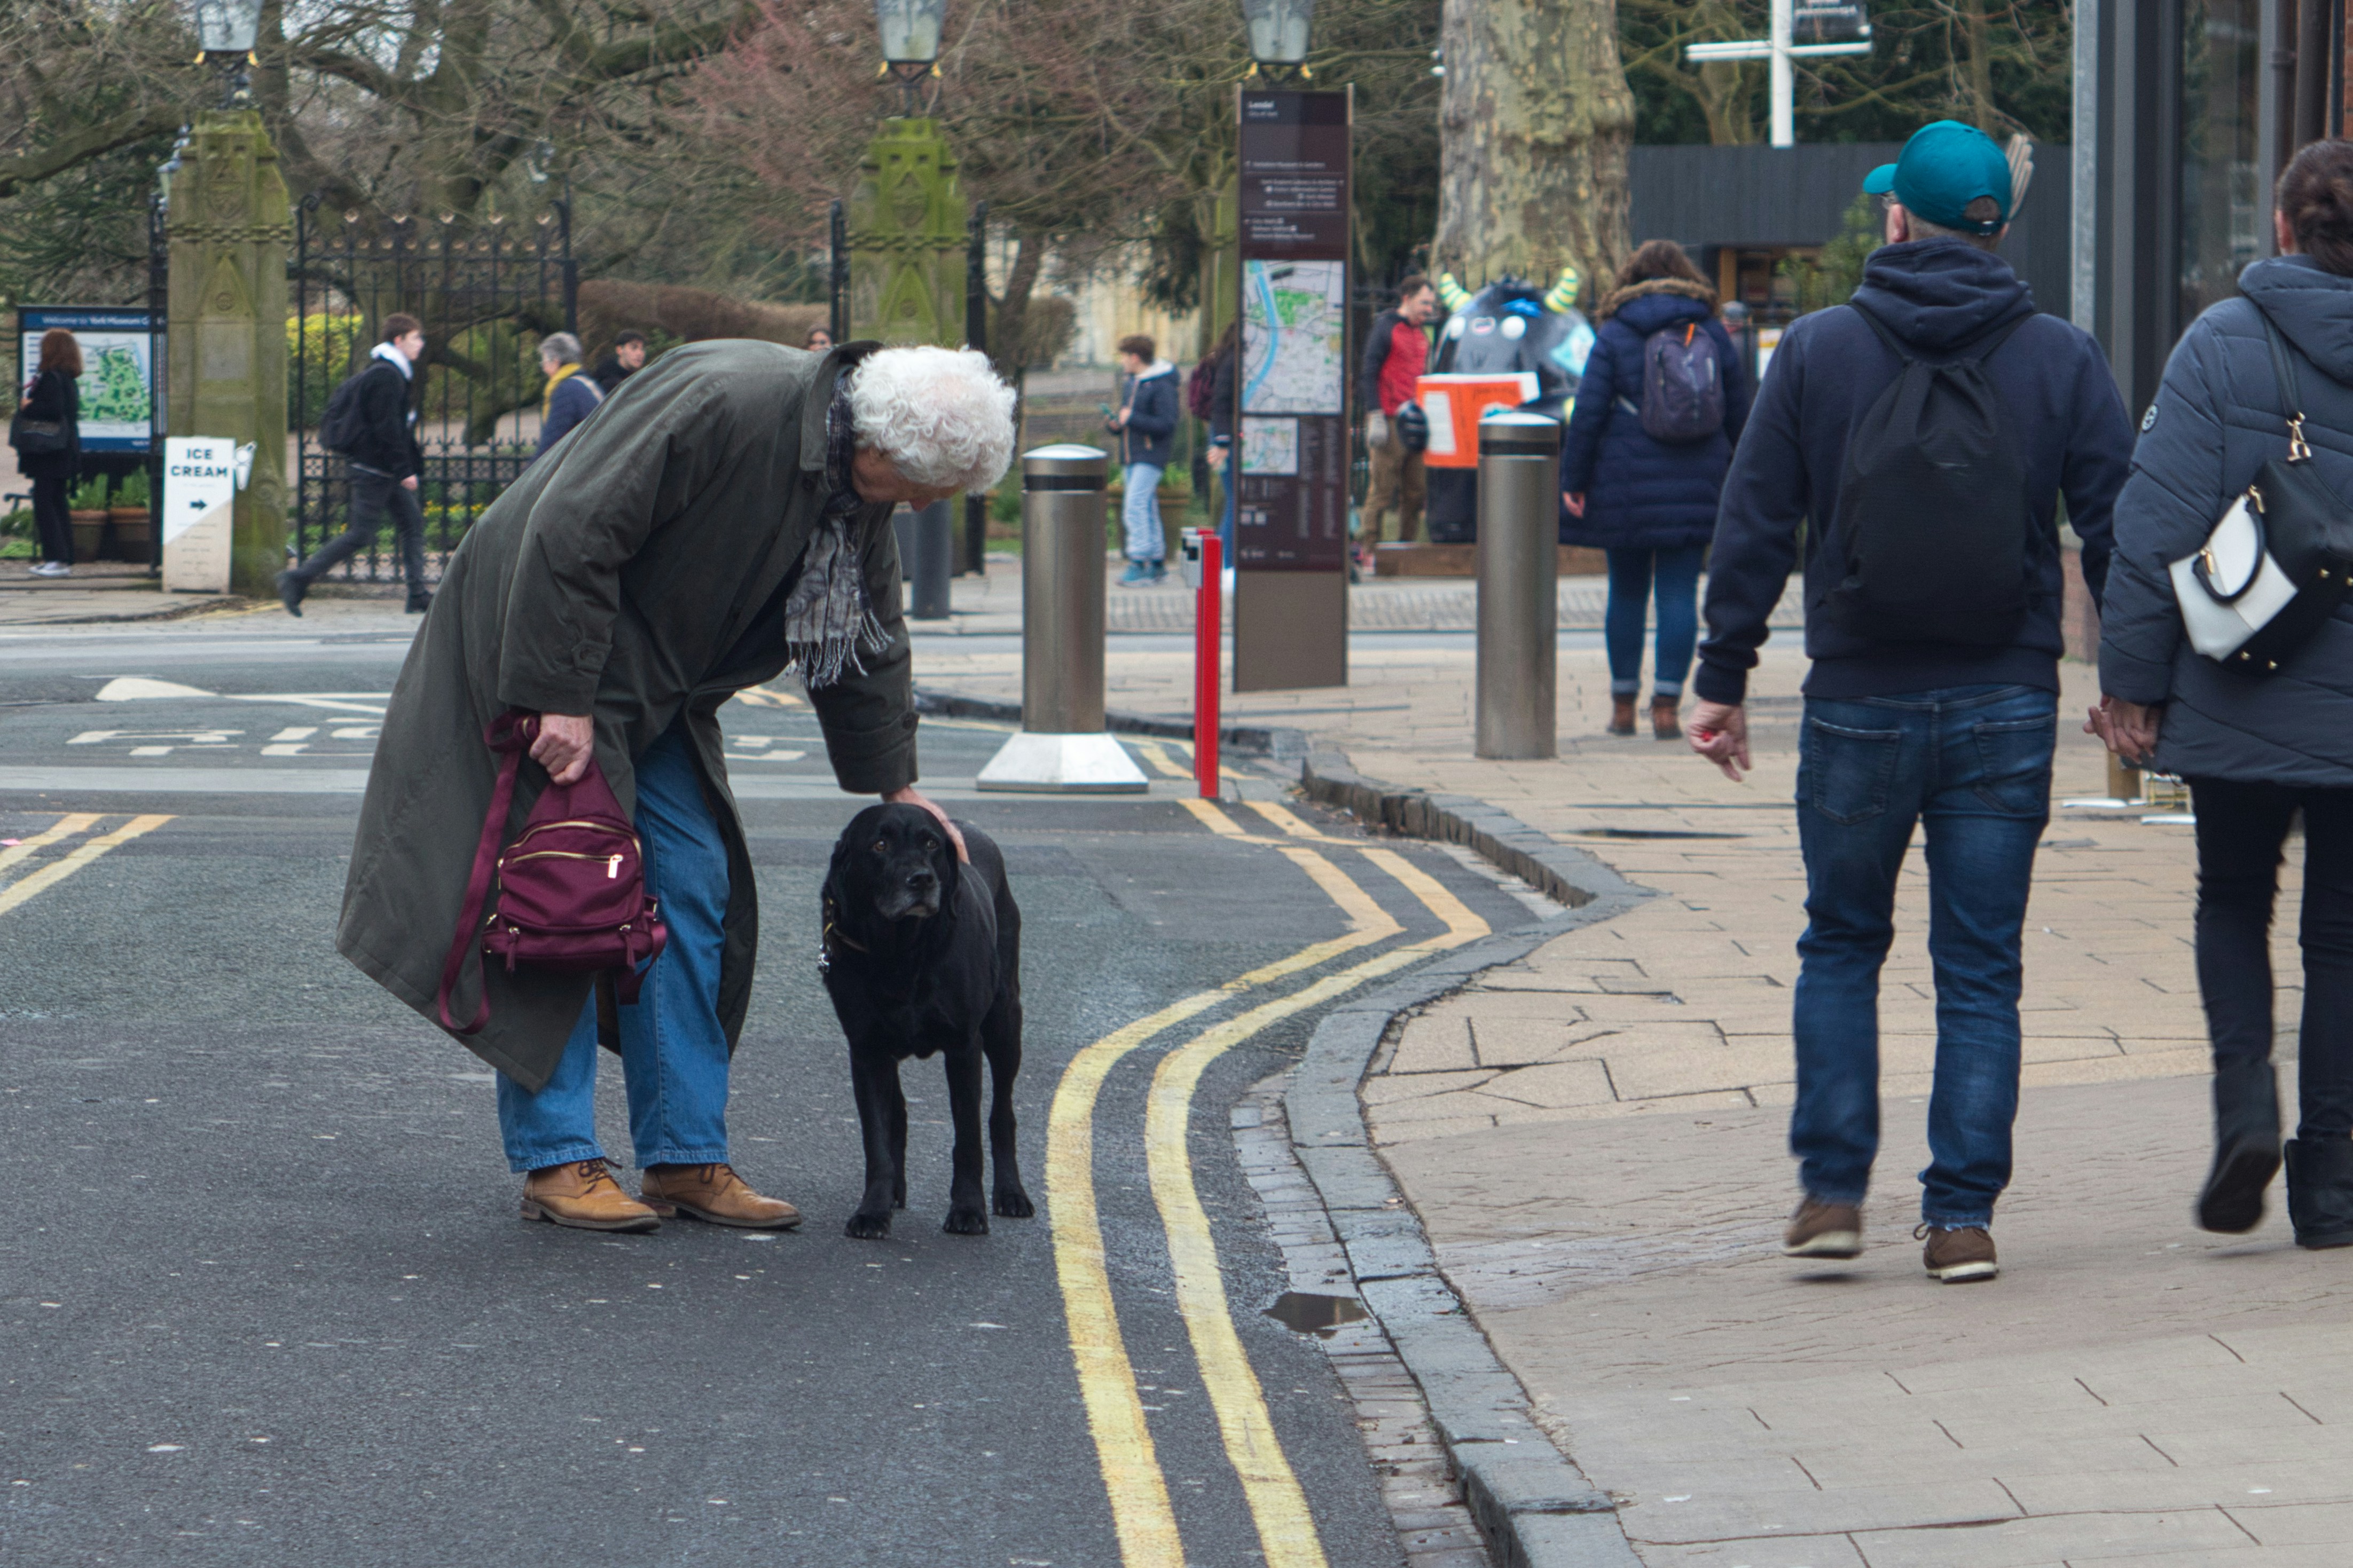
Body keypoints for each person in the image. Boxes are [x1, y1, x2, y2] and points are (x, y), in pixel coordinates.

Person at [338, 341, 1016, 1233]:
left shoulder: (855, 484)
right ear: (881, 443)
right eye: (927, 485)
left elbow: (868, 633)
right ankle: (558, 1158)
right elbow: (572, 529)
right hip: (541, 647)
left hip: (651, 682)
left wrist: (897, 785)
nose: (927, 505)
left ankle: (685, 1153)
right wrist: (555, 693)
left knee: (693, 879)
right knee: (566, 894)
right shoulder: (727, 402)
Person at [1689, 120, 2135, 1283]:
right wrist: (2133, 682)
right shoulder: (2060, 356)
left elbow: (1753, 522)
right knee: (1980, 965)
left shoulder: (1822, 351)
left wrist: (1720, 676)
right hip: (2003, 696)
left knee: (1840, 941)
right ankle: (1959, 1219)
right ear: (1998, 225)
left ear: (1897, 219)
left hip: (1855, 699)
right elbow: (2118, 529)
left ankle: (1833, 1193)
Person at [2092, 139, 2353, 1250]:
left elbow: (2150, 525)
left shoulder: (2218, 342)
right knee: (2343, 937)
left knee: (2231, 896)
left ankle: (2245, 1102)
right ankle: (2333, 1182)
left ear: (2282, 230)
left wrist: (2132, 688)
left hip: (2241, 682)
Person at [1560, 241, 1752, 739]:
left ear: (1631, 277)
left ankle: (1623, 706)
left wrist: (1574, 480)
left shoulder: (1617, 330)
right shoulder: (1709, 329)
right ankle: (1666, 706)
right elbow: (1741, 412)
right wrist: (1746, 478)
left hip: (1624, 480)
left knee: (1625, 591)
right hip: (1696, 477)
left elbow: (1589, 411)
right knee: (1679, 591)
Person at [279, 313, 432, 615]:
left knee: (412, 524)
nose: (421, 344)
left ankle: (417, 594)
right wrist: (404, 470)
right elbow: (387, 428)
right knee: (361, 534)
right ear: (398, 341)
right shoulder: (386, 376)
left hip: (380, 470)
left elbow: (393, 427)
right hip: (375, 471)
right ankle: (297, 578)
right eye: (416, 338)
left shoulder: (390, 373)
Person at [1359, 275, 1438, 554]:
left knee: (1416, 492)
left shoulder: (1422, 336)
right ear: (1407, 299)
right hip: (1391, 420)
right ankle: (1369, 551)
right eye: (1424, 303)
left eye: (1431, 304)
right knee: (1382, 492)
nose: (1429, 310)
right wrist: (1375, 414)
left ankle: (1405, 549)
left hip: (1416, 422)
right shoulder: (1386, 329)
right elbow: (1369, 373)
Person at [1109, 333, 1178, 585]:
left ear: (1135, 357)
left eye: (1125, 357)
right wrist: (1116, 425)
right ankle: (1157, 562)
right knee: (1147, 507)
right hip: (1133, 454)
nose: (1123, 362)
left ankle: (1139, 561)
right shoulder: (1133, 382)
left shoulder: (1161, 386)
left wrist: (1132, 419)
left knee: (1135, 506)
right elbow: (1130, 421)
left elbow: (1167, 424)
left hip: (1150, 455)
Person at [13, 328, 81, 578]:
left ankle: (55, 558)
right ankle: (62, 557)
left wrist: (28, 406)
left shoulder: (51, 378)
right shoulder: (68, 379)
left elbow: (51, 410)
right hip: (63, 449)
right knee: (56, 501)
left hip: (49, 452)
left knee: (45, 502)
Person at [534, 333, 603, 458]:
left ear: (555, 361)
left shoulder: (566, 391)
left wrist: (530, 475)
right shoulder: (585, 384)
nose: (544, 369)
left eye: (544, 362)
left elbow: (552, 443)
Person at [1206, 320, 1239, 576]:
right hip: (1227, 440)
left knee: (1236, 500)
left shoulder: (1230, 357)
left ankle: (1225, 562)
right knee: (1236, 500)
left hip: (1228, 438)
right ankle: (1225, 563)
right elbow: (1222, 402)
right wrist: (1222, 442)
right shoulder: (1233, 360)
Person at [590, 330, 648, 396]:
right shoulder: (606, 382)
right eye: (634, 348)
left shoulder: (641, 380)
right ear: (619, 350)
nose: (640, 354)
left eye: (643, 349)